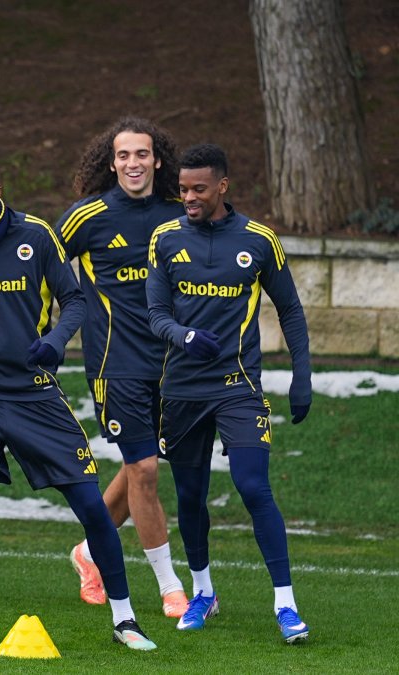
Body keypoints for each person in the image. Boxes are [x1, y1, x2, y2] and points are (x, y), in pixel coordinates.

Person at [0, 155, 156, 652]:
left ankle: (125, 620)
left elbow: (77, 301)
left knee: (91, 506)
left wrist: (56, 341)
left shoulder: (37, 236)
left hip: (34, 393)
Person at [147, 143, 312, 643]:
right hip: (180, 389)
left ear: (223, 186)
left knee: (253, 486)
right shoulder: (165, 238)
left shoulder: (259, 240)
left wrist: (302, 377)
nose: (189, 198)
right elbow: (155, 315)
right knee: (191, 495)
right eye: (182, 189)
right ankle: (203, 592)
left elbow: (291, 311)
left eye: (198, 189)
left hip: (238, 386)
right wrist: (184, 336)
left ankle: (286, 604)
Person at [56, 117, 188, 617]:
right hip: (116, 363)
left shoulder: (180, 215)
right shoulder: (86, 217)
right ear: (111, 163)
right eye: (124, 155)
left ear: (158, 160)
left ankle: (88, 551)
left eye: (142, 154)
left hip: (174, 364)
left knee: (142, 467)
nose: (134, 163)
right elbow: (40, 265)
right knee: (145, 469)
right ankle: (169, 585)